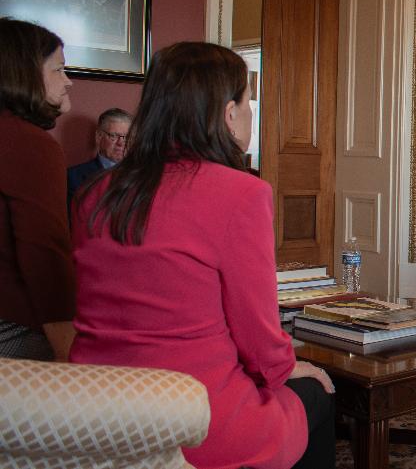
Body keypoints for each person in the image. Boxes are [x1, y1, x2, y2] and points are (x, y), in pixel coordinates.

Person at [69, 42, 335, 469]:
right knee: (317, 394)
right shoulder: (242, 193)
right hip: (193, 417)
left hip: (98, 411)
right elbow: (257, 331)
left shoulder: (96, 194)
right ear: (229, 114)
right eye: (249, 101)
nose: (251, 113)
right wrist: (288, 368)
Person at [0, 17, 76, 361]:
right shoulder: (29, 144)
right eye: (58, 70)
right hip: (11, 327)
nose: (68, 82)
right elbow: (45, 255)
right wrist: (67, 350)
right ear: (25, 73)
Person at [66, 107, 132, 209]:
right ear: (98, 137)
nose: (121, 143)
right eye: (114, 136)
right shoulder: (73, 177)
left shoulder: (142, 175)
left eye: (126, 137)